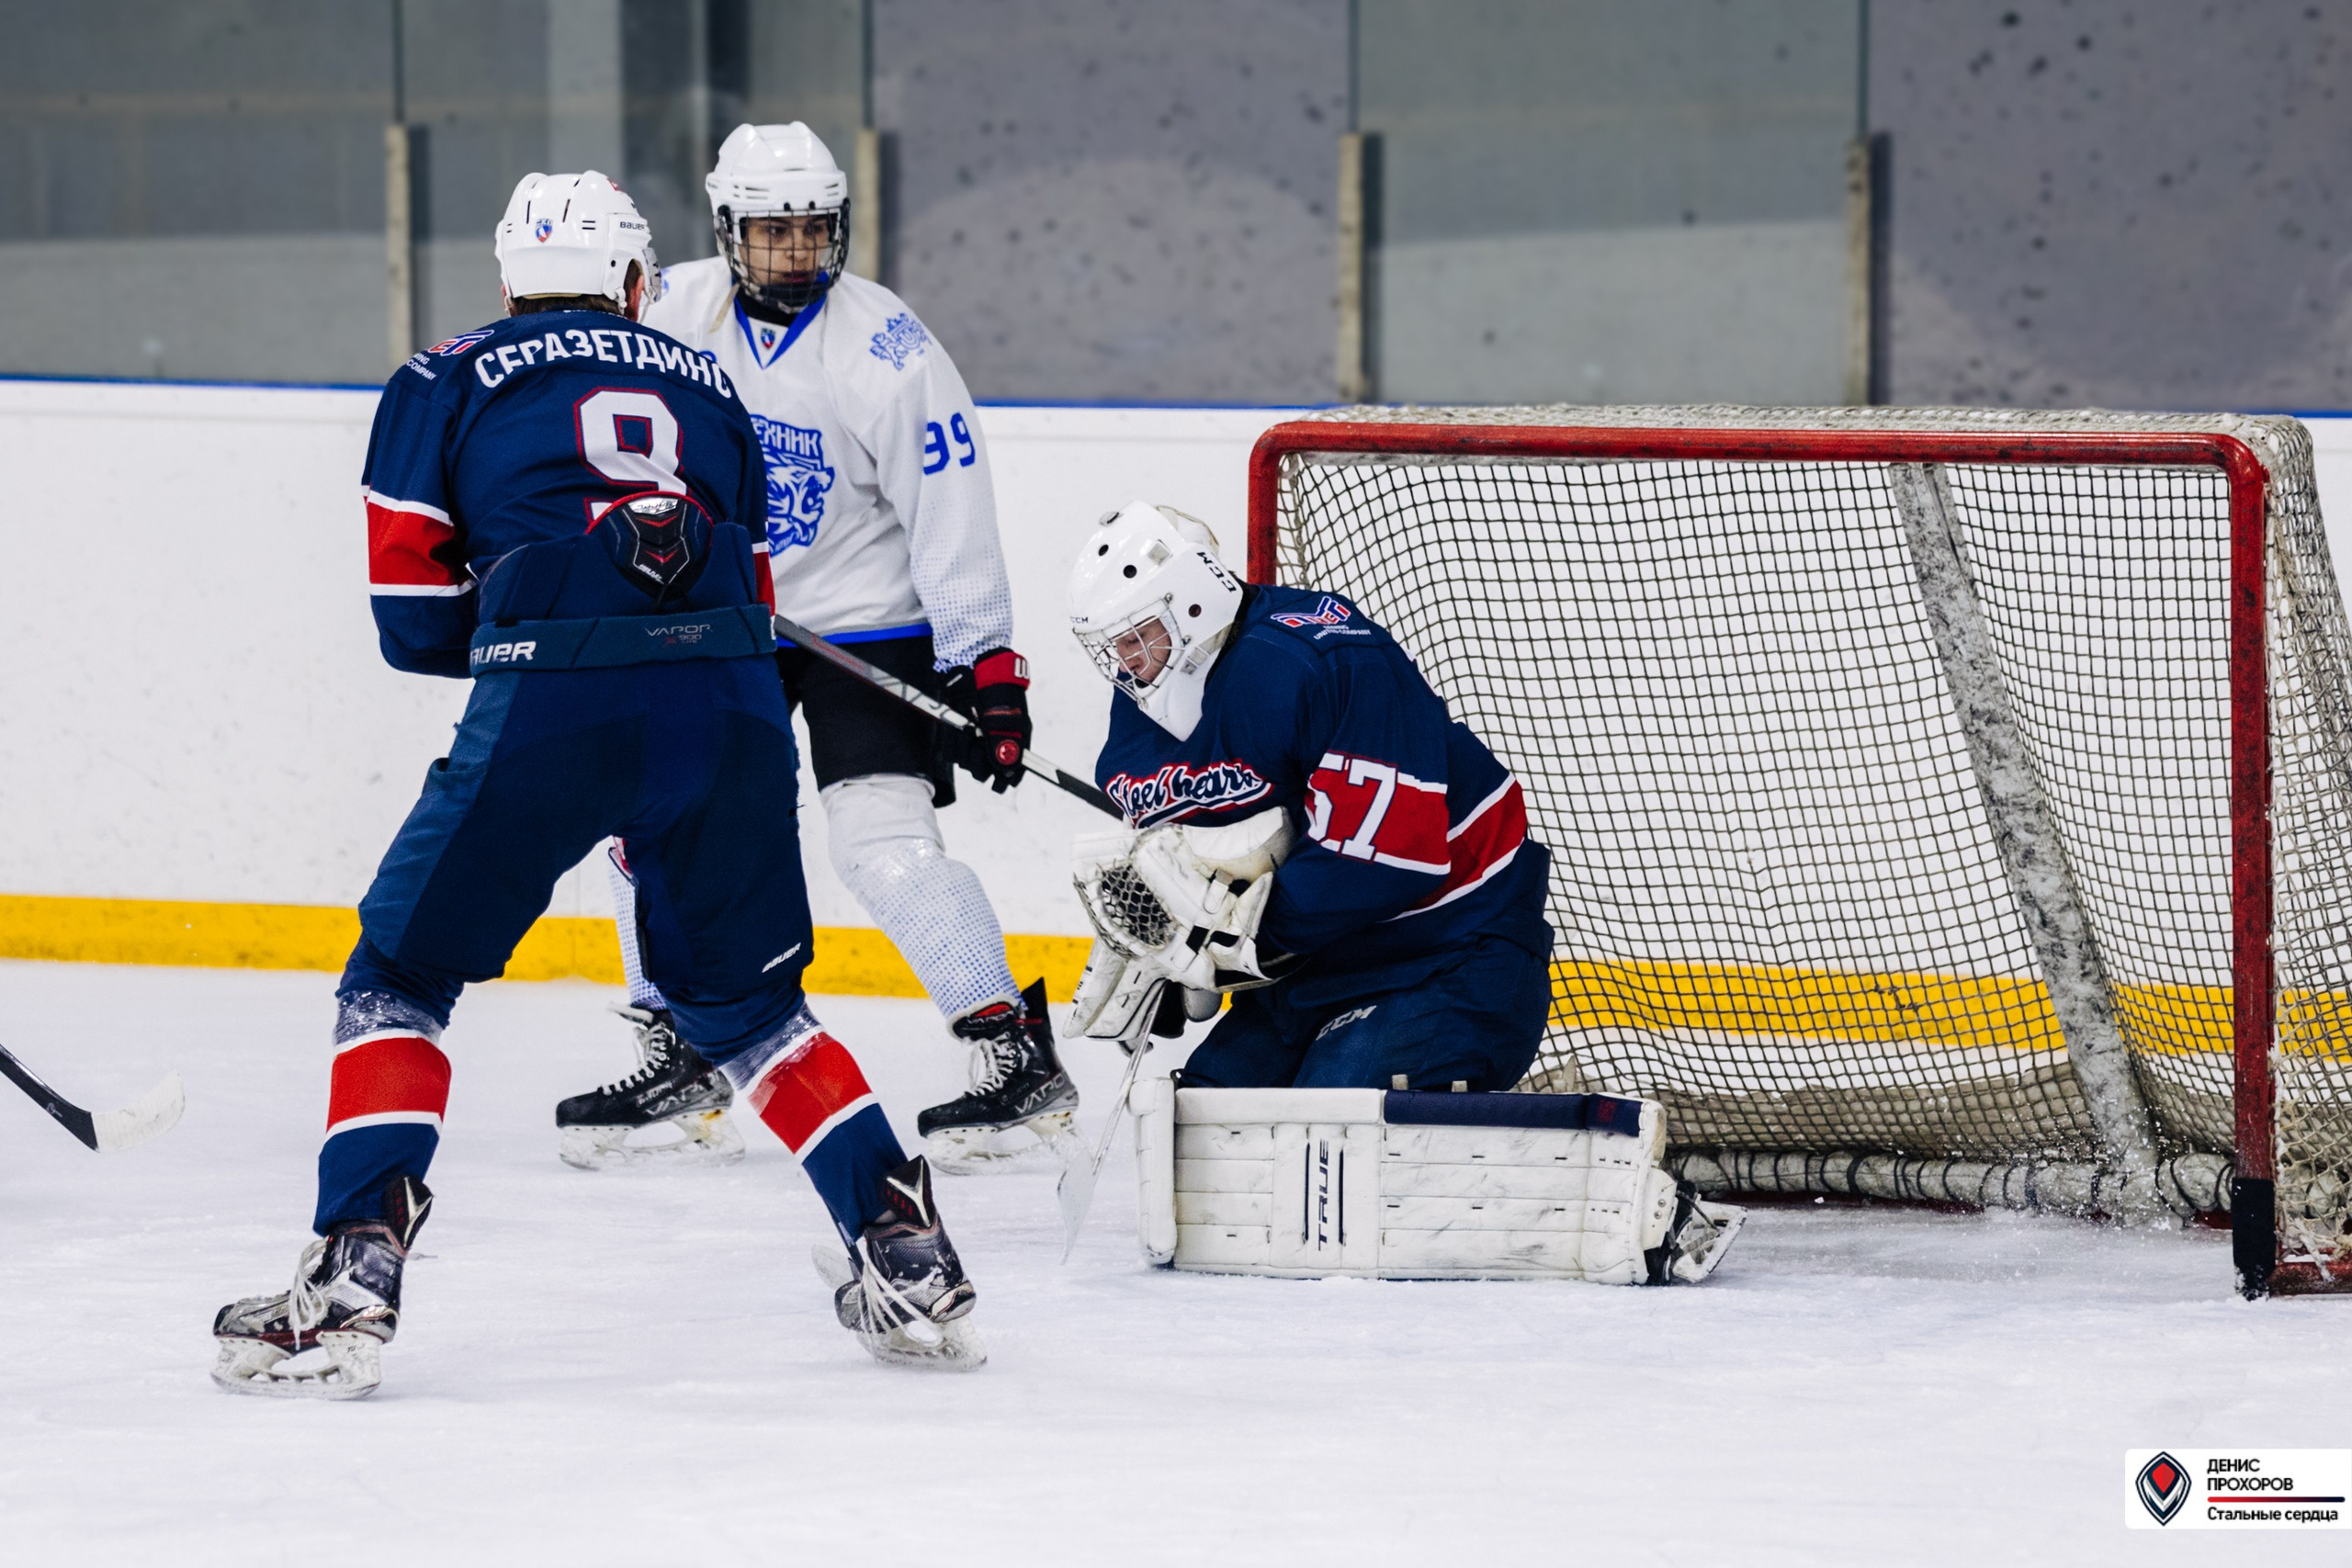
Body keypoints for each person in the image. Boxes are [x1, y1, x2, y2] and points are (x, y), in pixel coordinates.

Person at [209, 171, 981, 1398]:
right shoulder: (714, 382)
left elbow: (411, 622)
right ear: (637, 283)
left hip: (553, 698)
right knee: (748, 1008)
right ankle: (910, 1248)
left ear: (507, 281)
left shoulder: (439, 375)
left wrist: (540, 612)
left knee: (401, 976)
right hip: (728, 706)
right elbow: (756, 591)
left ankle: (358, 1266)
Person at [555, 121, 1075, 1173]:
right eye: (771, 230)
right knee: (647, 825)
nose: (794, 250)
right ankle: (681, 1048)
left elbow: (952, 510)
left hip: (865, 626)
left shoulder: (887, 347)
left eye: (812, 229)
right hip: (725, 619)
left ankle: (1012, 1053)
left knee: (882, 846)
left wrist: (987, 668)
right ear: (726, 228)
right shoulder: (671, 308)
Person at [1064, 502, 1556, 1091]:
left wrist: (1222, 951)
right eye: (1115, 647)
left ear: (1193, 600)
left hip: (1450, 951)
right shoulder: (1148, 694)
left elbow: (1389, 858)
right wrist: (1161, 944)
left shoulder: (1324, 658)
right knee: (1203, 1126)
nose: (1129, 663)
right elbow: (1176, 847)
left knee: (1326, 1135)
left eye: (1140, 637)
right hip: (1314, 969)